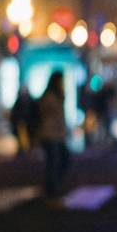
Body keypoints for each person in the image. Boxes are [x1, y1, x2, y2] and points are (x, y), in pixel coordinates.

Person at [38, 72, 70, 204]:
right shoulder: (49, 96)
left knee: (61, 160)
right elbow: (44, 113)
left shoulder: (58, 95)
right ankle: (52, 191)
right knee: (54, 163)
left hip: (58, 134)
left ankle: (52, 188)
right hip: (49, 134)